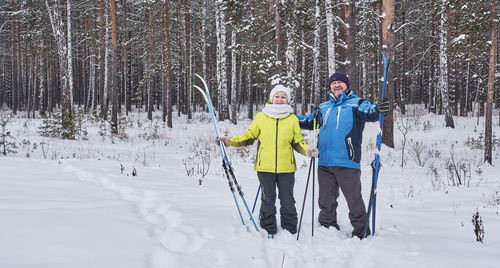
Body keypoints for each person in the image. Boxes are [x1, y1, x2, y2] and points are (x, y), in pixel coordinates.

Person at [297, 72, 389, 239]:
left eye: (340, 82)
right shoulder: (323, 107)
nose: (337, 85)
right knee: (325, 199)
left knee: (354, 200)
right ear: (330, 86)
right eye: (333, 83)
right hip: (324, 163)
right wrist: (286, 117)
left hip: (347, 162)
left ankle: (361, 231)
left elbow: (370, 112)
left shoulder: (356, 103)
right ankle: (327, 226)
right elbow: (309, 122)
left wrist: (377, 108)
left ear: (347, 85)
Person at [218, 85, 318, 237]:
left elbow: (298, 141)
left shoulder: (292, 119)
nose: (279, 99)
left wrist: (307, 150)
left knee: (287, 200)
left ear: (287, 100)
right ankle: (268, 227)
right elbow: (249, 137)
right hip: (265, 167)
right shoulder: (261, 117)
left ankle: (290, 228)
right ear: (271, 98)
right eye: (277, 96)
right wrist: (230, 141)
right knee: (268, 199)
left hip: (286, 168)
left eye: (283, 97)